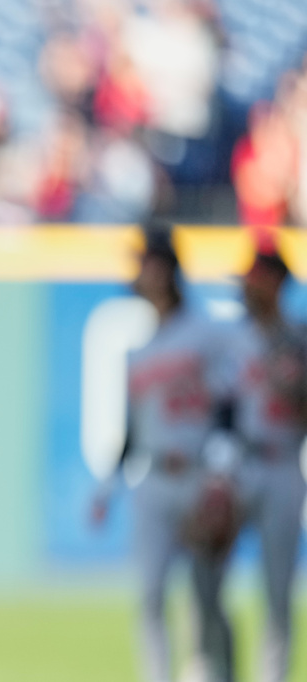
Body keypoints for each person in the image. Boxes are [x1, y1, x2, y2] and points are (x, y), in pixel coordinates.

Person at [90, 219, 237, 682]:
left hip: (199, 475)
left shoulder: (206, 334)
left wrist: (221, 475)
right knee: (150, 594)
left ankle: (219, 674)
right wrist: (107, 487)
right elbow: (131, 431)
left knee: (207, 597)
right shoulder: (139, 348)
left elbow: (229, 408)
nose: (136, 270)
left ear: (164, 267)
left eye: (144, 261)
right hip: (152, 478)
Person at [230, 240, 307, 682]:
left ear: (276, 281)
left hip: (283, 462)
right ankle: (211, 667)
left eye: (255, 276)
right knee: (205, 572)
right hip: (235, 464)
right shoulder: (230, 338)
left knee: (278, 591)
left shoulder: (297, 338)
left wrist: (292, 384)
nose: (247, 285)